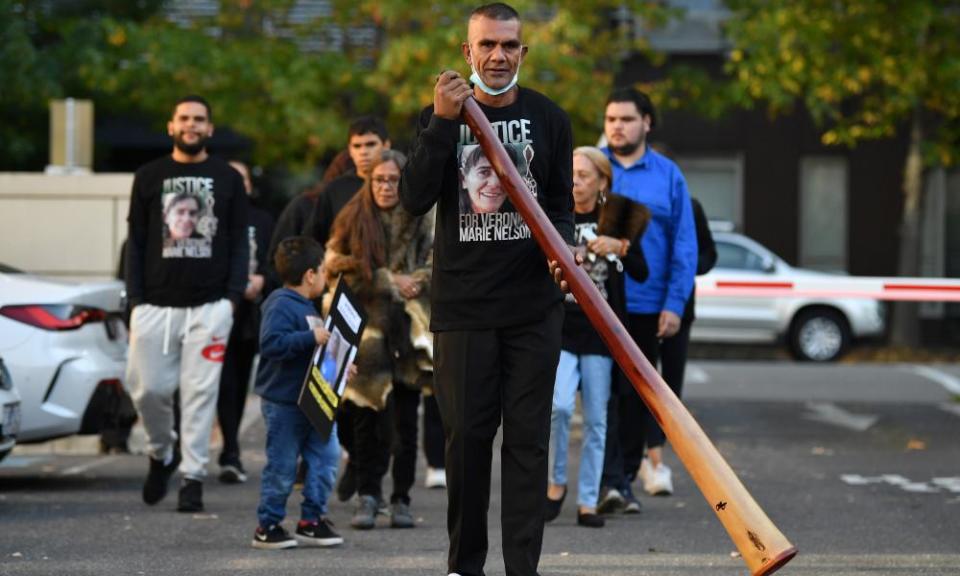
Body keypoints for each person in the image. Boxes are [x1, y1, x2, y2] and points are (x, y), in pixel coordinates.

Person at [399, 3, 575, 575]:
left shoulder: (549, 119)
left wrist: (563, 253)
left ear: (523, 51)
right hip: (464, 309)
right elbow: (413, 198)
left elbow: (559, 208)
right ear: (466, 52)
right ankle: (463, 566)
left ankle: (523, 567)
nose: (498, 55)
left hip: (533, 311)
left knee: (527, 445)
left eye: (509, 45)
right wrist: (445, 121)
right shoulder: (438, 116)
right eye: (487, 45)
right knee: (467, 443)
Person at [125, 95, 249, 512]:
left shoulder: (227, 179)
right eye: (184, 119)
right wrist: (135, 301)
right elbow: (137, 243)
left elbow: (237, 245)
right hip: (154, 307)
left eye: (199, 120)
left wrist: (231, 300)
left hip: (211, 306)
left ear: (209, 128)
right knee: (147, 390)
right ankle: (161, 453)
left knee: (199, 394)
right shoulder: (147, 176)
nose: (191, 125)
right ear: (171, 126)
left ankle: (192, 477)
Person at [597, 87, 697, 510]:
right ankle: (597, 483)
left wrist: (674, 304)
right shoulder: (590, 168)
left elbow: (684, 245)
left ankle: (621, 482)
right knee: (596, 397)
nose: (617, 127)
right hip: (594, 303)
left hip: (645, 305)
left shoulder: (669, 176)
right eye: (611, 119)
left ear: (646, 123)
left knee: (635, 397)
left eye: (626, 119)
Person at [324, 150, 435, 530]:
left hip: (409, 327)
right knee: (365, 415)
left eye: (393, 180)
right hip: (364, 327)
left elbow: (440, 261)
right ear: (369, 183)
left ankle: (400, 498)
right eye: (379, 180)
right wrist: (389, 279)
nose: (386, 187)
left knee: (406, 420)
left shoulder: (422, 216)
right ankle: (367, 494)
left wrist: (416, 280)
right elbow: (334, 267)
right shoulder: (353, 216)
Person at [545, 147, 648, 528]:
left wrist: (620, 246)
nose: (575, 181)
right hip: (562, 326)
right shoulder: (556, 212)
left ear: (602, 181)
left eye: (584, 175)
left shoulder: (616, 216)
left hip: (602, 332)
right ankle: (555, 484)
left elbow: (641, 272)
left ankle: (588, 499)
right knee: (557, 407)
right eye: (571, 173)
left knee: (597, 419)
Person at [251, 236, 350, 549]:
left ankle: (311, 519)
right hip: (284, 404)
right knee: (282, 466)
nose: (324, 277)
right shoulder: (280, 304)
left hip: (314, 400)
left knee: (327, 457)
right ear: (310, 274)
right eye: (322, 271)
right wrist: (310, 337)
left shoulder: (308, 307)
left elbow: (316, 353)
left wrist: (341, 365)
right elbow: (271, 344)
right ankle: (268, 525)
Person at [638, 194, 716, 495]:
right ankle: (651, 457)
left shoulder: (691, 207)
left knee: (671, 388)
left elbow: (710, 254)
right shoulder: (634, 202)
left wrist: (685, 263)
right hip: (640, 306)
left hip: (681, 307)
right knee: (644, 383)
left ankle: (656, 452)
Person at [216, 160, 275, 484]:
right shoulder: (210, 218)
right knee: (217, 383)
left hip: (248, 315)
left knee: (237, 383)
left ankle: (230, 448)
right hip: (214, 310)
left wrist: (261, 280)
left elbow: (273, 260)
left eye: (244, 178)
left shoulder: (262, 220)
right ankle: (224, 450)